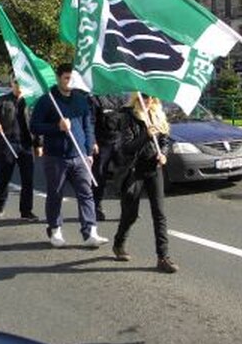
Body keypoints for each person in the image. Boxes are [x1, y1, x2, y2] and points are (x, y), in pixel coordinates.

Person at [29, 63, 108, 248]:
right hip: (56, 156)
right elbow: (34, 126)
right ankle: (55, 230)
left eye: (72, 78)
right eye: (66, 78)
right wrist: (57, 127)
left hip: (79, 155)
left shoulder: (81, 99)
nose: (69, 82)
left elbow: (88, 125)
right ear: (58, 78)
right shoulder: (47, 100)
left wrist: (89, 151)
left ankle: (90, 232)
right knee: (55, 194)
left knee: (86, 193)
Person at [112, 93, 178, 274]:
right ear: (137, 97)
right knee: (130, 214)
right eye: (145, 97)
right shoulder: (129, 117)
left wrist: (163, 153)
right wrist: (145, 135)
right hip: (134, 170)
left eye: (152, 97)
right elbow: (127, 147)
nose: (148, 100)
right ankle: (119, 243)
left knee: (159, 214)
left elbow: (164, 140)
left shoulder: (158, 114)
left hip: (153, 169)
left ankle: (163, 257)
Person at [0, 77, 40, 221]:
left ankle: (26, 211)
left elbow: (36, 123)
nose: (19, 86)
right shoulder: (2, 100)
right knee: (5, 177)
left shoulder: (31, 101)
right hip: (8, 143)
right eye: (17, 83)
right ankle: (0, 204)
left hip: (26, 144)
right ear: (12, 84)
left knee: (28, 179)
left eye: (22, 83)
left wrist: (39, 144)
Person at [89, 93, 126, 221]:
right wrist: (92, 141)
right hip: (102, 144)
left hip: (119, 142)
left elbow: (124, 117)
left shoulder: (117, 96)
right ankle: (96, 208)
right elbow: (90, 121)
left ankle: (127, 209)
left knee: (125, 175)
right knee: (99, 176)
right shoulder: (94, 98)